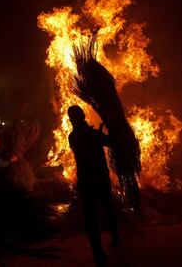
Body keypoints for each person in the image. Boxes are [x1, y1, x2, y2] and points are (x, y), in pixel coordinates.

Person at [68, 105, 119, 266]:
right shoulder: (91, 134)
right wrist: (109, 128)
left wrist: (98, 132)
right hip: (99, 178)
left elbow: (86, 139)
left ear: (71, 120)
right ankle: (115, 238)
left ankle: (97, 251)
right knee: (108, 208)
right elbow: (111, 142)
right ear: (83, 116)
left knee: (91, 217)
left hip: (86, 181)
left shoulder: (72, 137)